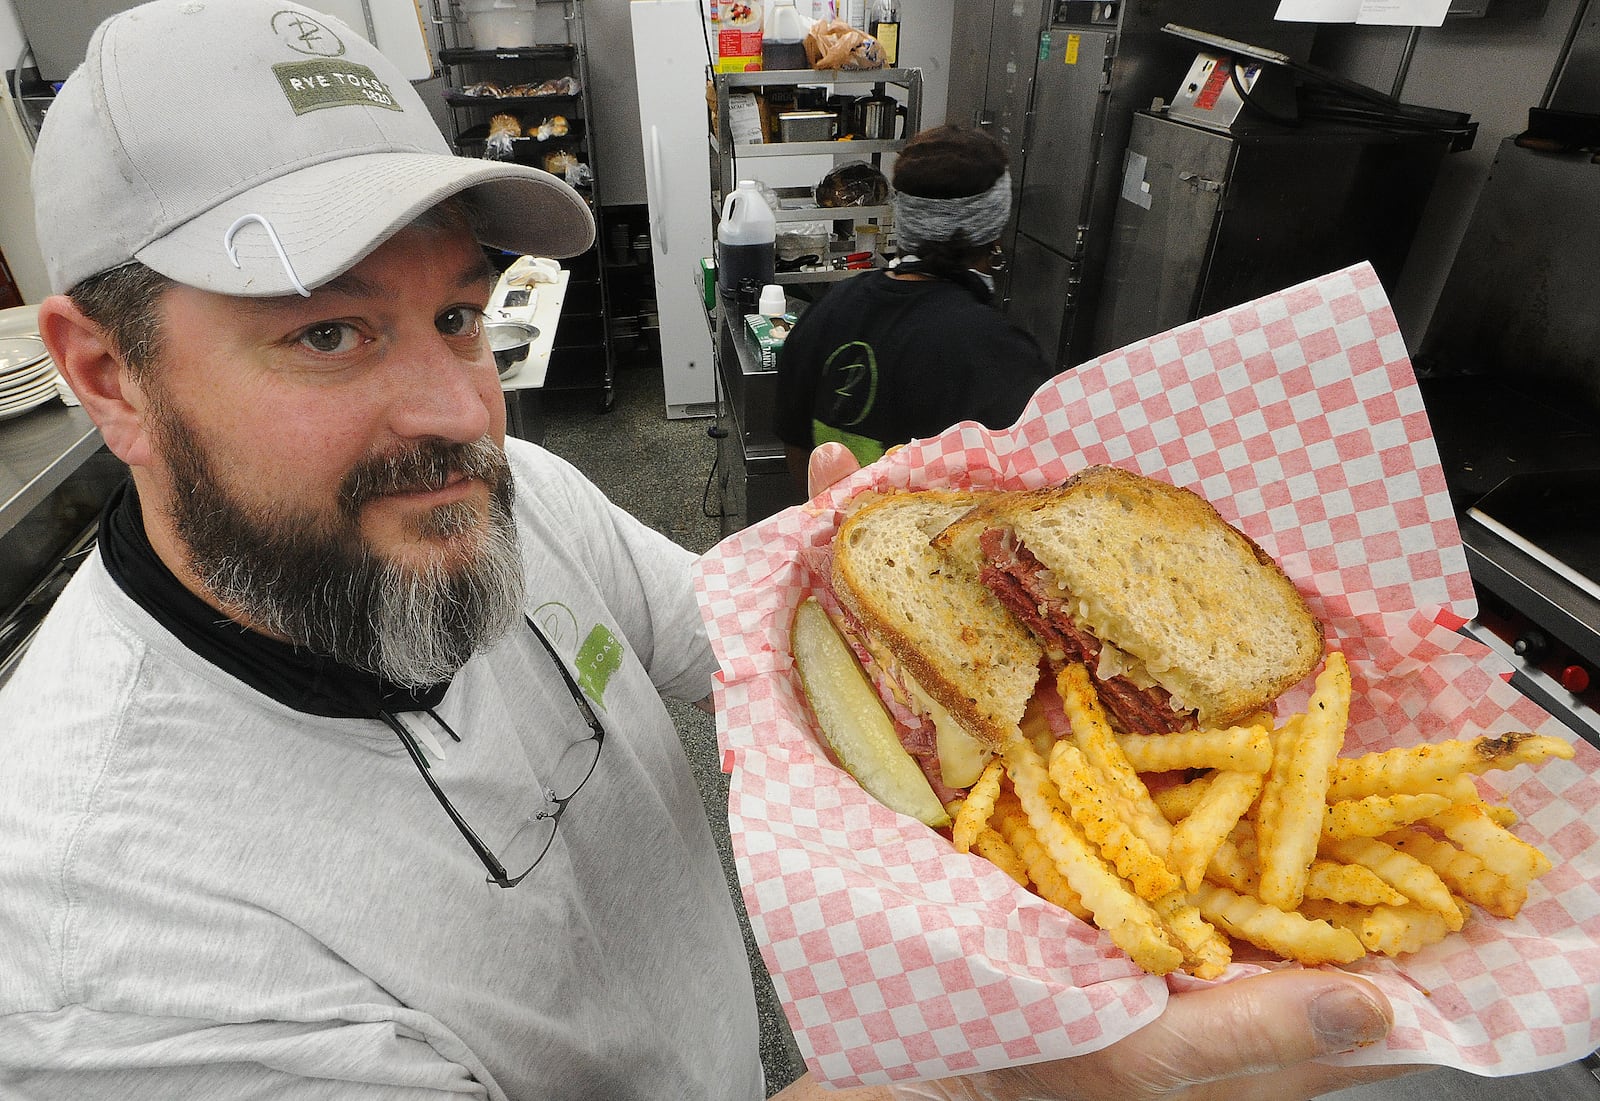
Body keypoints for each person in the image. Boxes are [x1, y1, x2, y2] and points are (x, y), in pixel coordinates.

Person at [0, 3, 1412, 1098]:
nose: (461, 414)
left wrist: (874, 601)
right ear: (107, 373)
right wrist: (997, 1074)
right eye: (326, 330)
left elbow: (738, 654)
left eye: (453, 315)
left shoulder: (527, 501)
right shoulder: (99, 940)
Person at [773, 125, 1055, 492]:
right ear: (993, 231)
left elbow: (798, 450)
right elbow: (1029, 493)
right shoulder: (1004, 355)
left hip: (834, 539)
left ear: (904, 217)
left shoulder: (827, 310)